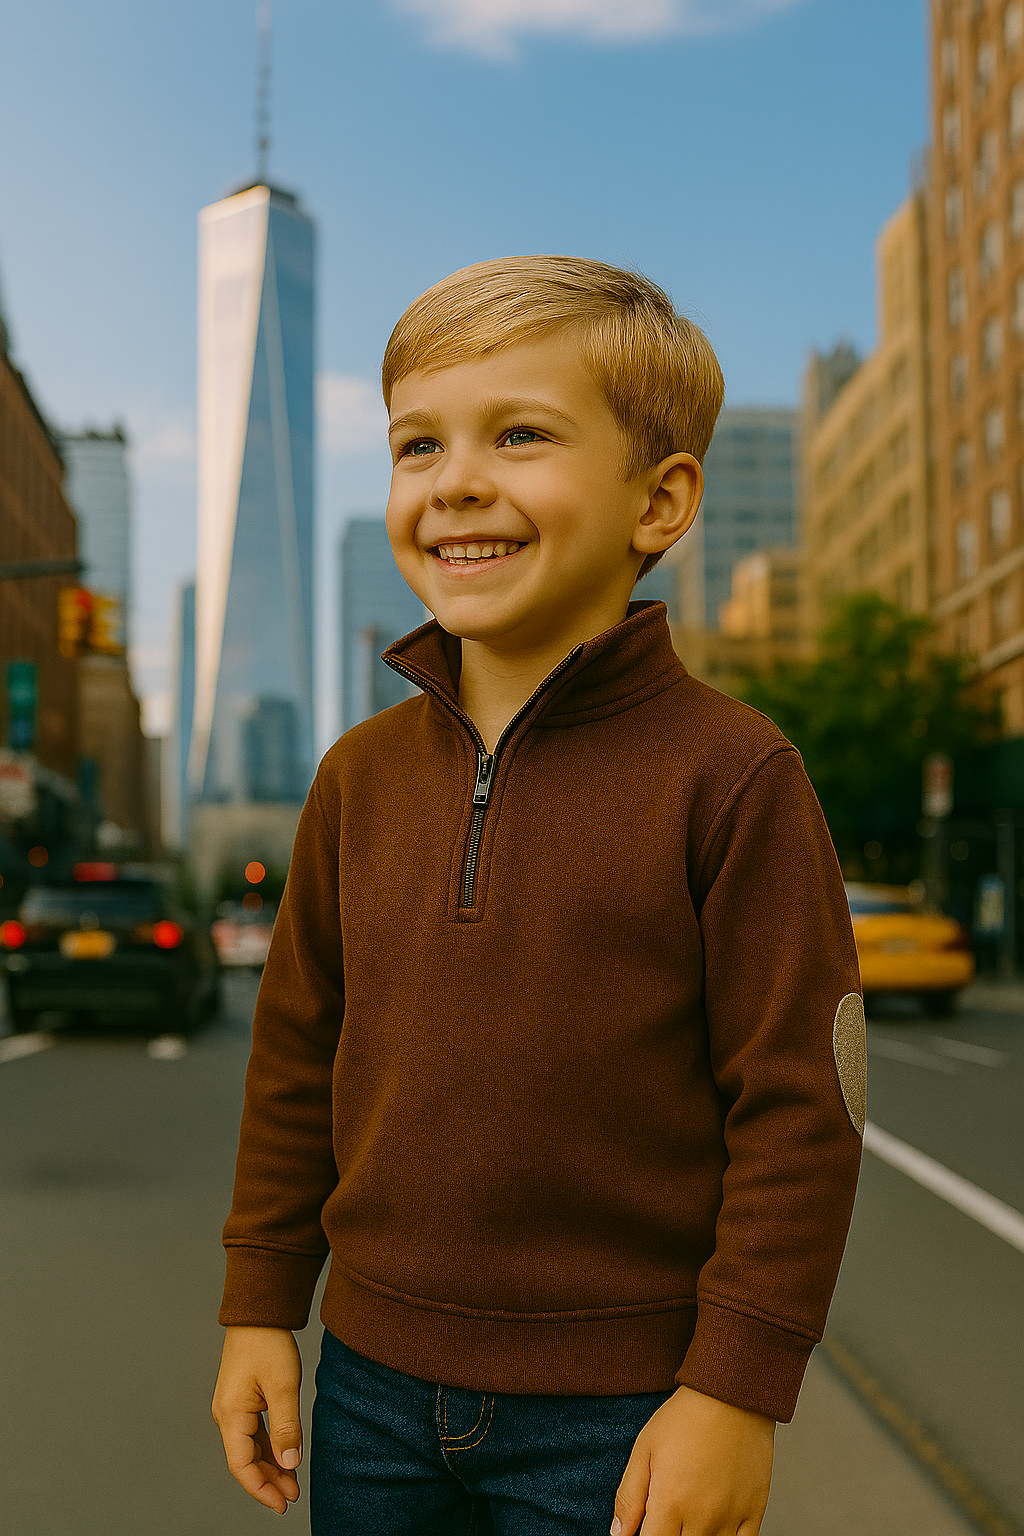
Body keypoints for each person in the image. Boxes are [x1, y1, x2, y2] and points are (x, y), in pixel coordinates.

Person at [212, 255, 866, 1536]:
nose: (455, 479)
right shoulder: (354, 780)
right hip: (370, 1388)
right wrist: (258, 1304)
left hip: (620, 1410)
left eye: (519, 435)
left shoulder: (733, 774)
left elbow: (804, 1107)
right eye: (418, 444)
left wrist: (735, 1391)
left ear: (659, 499)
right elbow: (296, 1056)